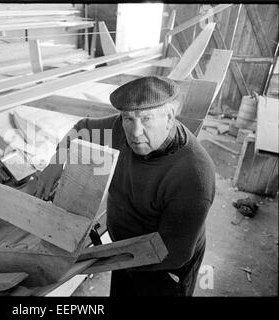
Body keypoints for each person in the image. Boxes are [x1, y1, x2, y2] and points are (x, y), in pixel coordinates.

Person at [34, 76, 216, 296]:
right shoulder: (120, 128)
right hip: (123, 249)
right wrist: (55, 162)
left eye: (146, 119)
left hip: (164, 266)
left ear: (169, 117)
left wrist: (101, 260)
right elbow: (82, 129)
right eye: (128, 118)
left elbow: (172, 252)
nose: (135, 131)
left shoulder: (194, 175)